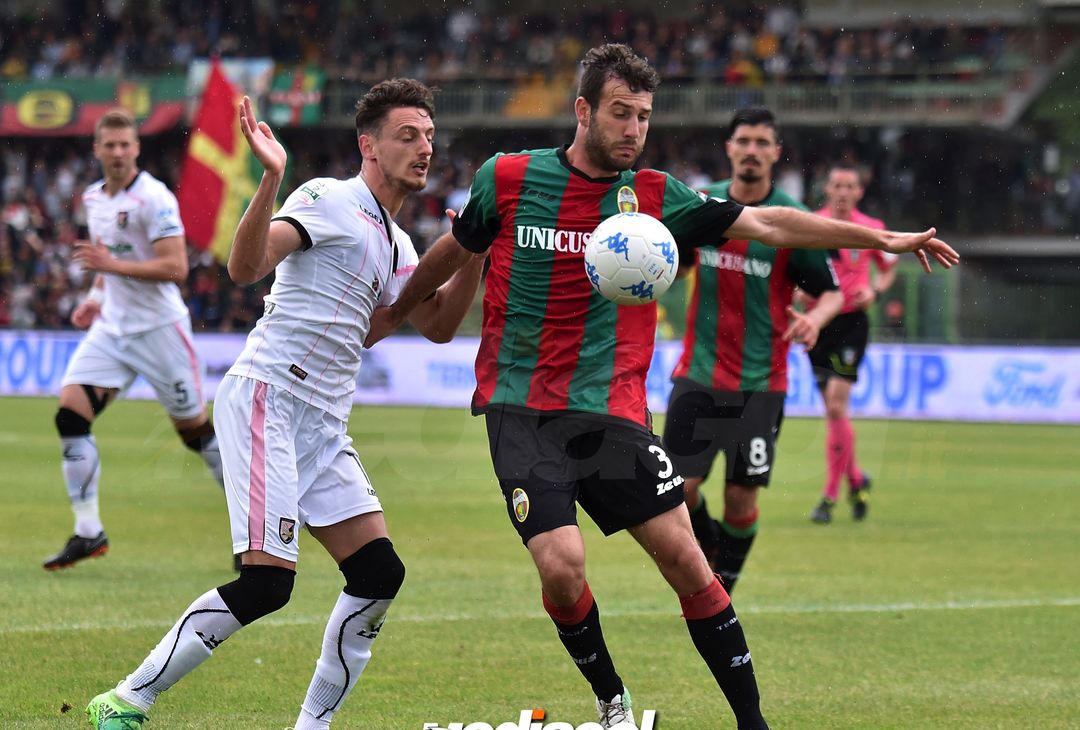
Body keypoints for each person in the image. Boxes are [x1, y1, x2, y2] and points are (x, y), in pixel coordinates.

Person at [365, 44, 956, 729]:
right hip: (520, 409)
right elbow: (456, 248)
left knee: (688, 560)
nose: (633, 130)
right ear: (583, 110)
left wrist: (880, 243)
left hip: (613, 411)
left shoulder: (655, 197)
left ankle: (753, 724)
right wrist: (397, 312)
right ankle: (612, 700)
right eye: (620, 113)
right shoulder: (509, 178)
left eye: (643, 117)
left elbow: (770, 223)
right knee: (562, 566)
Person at [86, 79, 486, 729]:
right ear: (370, 146)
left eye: (430, 137)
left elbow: (435, 325)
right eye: (408, 136)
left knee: (379, 573)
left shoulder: (398, 243)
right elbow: (245, 268)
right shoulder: (327, 198)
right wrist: (270, 179)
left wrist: (473, 249)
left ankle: (312, 726)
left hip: (324, 420)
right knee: (267, 583)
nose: (424, 149)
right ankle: (127, 701)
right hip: (270, 395)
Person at [662, 107, 844, 594]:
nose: (752, 150)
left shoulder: (790, 220)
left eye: (763, 143)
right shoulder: (705, 205)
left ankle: (726, 586)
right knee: (678, 492)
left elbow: (833, 290)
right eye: (744, 140)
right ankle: (712, 566)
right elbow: (674, 262)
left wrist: (814, 320)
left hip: (760, 385)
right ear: (729, 147)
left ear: (776, 153)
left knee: (741, 500)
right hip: (697, 373)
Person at [44, 109, 229, 571]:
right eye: (110, 145)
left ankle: (257, 530)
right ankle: (88, 532)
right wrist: (94, 295)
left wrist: (109, 269)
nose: (119, 152)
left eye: (126, 144)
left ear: (137, 148)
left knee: (195, 435)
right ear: (97, 149)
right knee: (70, 416)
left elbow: (175, 268)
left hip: (159, 331)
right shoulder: (93, 198)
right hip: (113, 329)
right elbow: (111, 262)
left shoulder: (155, 199)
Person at [806, 162, 898, 524]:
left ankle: (828, 496)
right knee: (833, 411)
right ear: (827, 189)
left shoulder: (871, 229)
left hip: (852, 325)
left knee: (835, 406)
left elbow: (889, 269)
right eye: (837, 185)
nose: (843, 192)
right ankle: (857, 480)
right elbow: (794, 264)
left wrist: (874, 291)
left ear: (859, 192)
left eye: (850, 186)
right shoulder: (810, 224)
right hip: (818, 323)